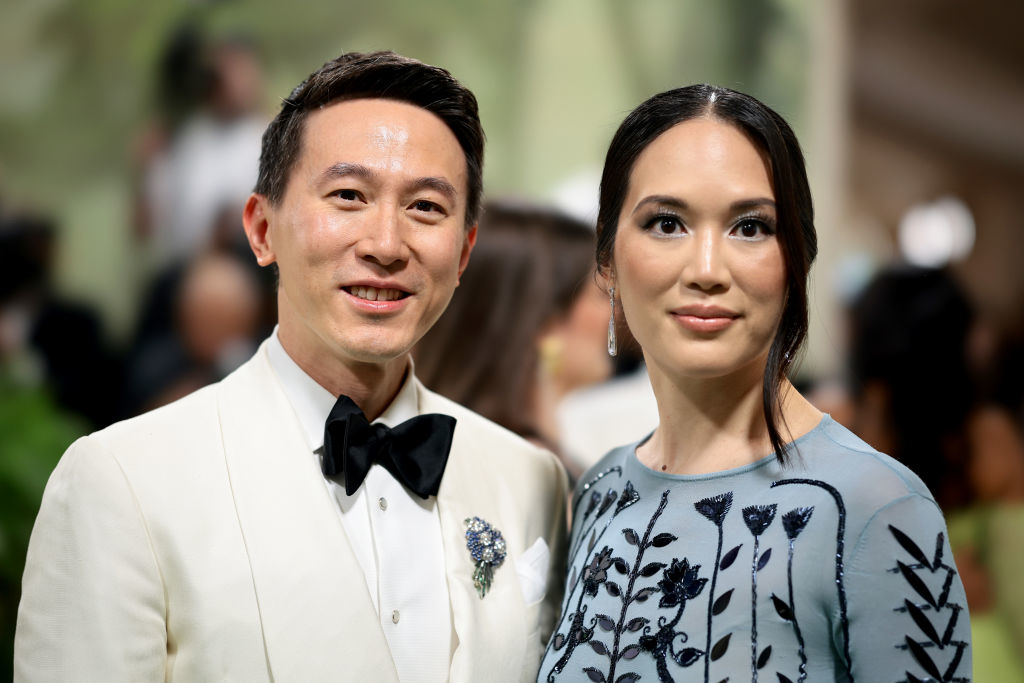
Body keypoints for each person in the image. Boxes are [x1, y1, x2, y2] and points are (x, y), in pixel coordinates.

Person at [16, 51, 567, 683]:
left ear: (464, 250)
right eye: (348, 195)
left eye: (426, 208)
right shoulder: (121, 481)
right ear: (261, 229)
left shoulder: (530, 480)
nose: (386, 244)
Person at [538, 85, 971, 682]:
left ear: (798, 262)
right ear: (607, 263)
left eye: (750, 227)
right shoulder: (601, 491)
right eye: (666, 223)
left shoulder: (875, 506)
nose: (708, 270)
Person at [414, 200, 611, 478]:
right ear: (545, 323)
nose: (614, 313)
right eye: (601, 295)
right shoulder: (526, 472)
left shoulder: (425, 448)